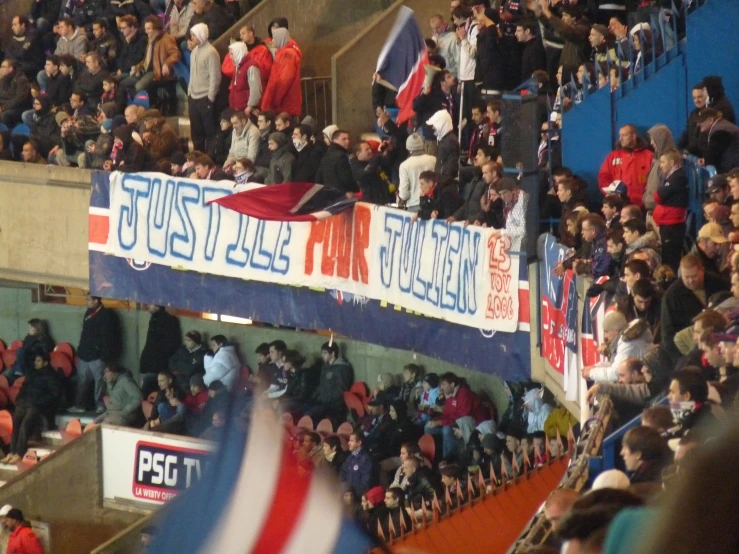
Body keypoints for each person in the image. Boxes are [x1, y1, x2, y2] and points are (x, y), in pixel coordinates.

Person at [0, 352, 62, 465]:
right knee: (16, 423)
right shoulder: (32, 373)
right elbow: (24, 388)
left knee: (25, 424)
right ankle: (12, 452)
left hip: (37, 405)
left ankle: (19, 453)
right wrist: (19, 400)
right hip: (24, 402)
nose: (35, 363)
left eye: (38, 361)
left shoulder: (52, 376)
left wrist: (38, 402)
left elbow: (54, 395)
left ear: (45, 363)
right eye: (35, 361)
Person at [661, 254, 726, 358]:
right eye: (686, 277)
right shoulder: (672, 296)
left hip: (719, 342)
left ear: (702, 270)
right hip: (690, 349)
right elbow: (667, 333)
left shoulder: (717, 283)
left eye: (694, 276)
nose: (690, 280)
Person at [70, 296, 120, 413]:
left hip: (97, 357)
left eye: (89, 300)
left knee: (100, 382)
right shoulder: (88, 313)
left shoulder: (106, 315)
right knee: (82, 381)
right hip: (84, 355)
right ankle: (81, 405)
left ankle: (100, 405)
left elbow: (108, 338)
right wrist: (80, 350)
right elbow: (84, 334)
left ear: (96, 301)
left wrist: (103, 355)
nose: (86, 302)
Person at [425, 372, 485, 459]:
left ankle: (448, 460)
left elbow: (461, 418)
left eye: (443, 385)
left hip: (472, 424)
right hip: (455, 421)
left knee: (447, 429)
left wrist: (440, 422)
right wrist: (435, 421)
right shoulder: (450, 394)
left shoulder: (464, 394)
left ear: (452, 384)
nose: (441, 388)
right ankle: (434, 458)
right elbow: (447, 413)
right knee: (428, 427)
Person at [125, 15, 181, 101]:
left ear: (156, 28)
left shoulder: (166, 38)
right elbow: (146, 60)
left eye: (149, 29)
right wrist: (137, 68)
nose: (146, 31)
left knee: (139, 86)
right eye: (146, 29)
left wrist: (166, 63)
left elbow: (176, 54)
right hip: (147, 70)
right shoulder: (150, 41)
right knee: (125, 83)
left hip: (156, 71)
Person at [187, 23, 222, 153]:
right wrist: (190, 92)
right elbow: (192, 74)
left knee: (209, 131)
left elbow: (215, 77)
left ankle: (211, 157)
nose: (192, 38)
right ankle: (198, 156)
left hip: (205, 98)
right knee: (196, 131)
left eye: (194, 35)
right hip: (194, 97)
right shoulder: (194, 51)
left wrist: (211, 98)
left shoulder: (211, 52)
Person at [653, 149, 688, 272]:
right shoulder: (672, 176)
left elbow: (658, 196)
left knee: (670, 259)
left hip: (672, 226)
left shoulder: (677, 177)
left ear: (671, 162)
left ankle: (669, 283)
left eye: (662, 162)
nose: (660, 165)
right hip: (668, 224)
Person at [305, 341, 353, 425]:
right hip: (322, 402)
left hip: (334, 406)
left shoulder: (342, 369)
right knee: (303, 408)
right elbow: (321, 386)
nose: (322, 355)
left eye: (325, 353)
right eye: (322, 353)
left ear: (333, 353)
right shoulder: (326, 367)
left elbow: (341, 390)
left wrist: (326, 400)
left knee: (309, 415)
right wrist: (312, 398)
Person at [139, 305, 181, 395]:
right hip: (154, 363)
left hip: (156, 364)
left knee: (148, 388)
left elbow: (167, 345)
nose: (148, 306)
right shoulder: (155, 319)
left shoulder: (165, 321)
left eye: (151, 304)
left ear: (158, 306)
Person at [261, 28, 302, 117]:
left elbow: (285, 79)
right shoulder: (283, 53)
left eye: (275, 38)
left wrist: (275, 100)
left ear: (280, 38)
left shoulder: (287, 54)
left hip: (284, 104)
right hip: (284, 103)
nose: (272, 40)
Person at [398, 134, 436, 211]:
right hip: (432, 204)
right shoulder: (433, 160)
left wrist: (400, 203)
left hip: (414, 205)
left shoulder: (404, 165)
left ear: (408, 149)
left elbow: (404, 193)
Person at [315, 130, 358, 196]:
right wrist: (355, 189)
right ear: (335, 140)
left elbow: (319, 177)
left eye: (348, 138)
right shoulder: (341, 156)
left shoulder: (327, 154)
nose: (347, 141)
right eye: (344, 139)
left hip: (329, 193)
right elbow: (346, 177)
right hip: (342, 194)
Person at [696, 108, 739, 173]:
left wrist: (706, 160)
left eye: (701, 121)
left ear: (711, 120)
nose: (698, 124)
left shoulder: (720, 131)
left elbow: (712, 156)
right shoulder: (721, 126)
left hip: (733, 169)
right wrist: (705, 159)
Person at [340, 431, 376, 498]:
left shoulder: (366, 459)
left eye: (351, 440)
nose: (348, 443)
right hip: (347, 494)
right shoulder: (350, 457)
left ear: (359, 443)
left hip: (357, 497)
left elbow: (365, 483)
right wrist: (344, 490)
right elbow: (342, 474)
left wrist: (353, 495)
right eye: (349, 440)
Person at [427, 110, 459, 180]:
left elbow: (451, 166)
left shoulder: (449, 141)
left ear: (441, 124)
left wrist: (443, 181)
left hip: (446, 182)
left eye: (434, 125)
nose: (432, 128)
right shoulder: (445, 140)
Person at [0, 60, 31, 127]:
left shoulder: (21, 79)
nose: (1, 69)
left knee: (4, 115)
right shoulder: (3, 79)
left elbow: (19, 99)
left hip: (19, 108)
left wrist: (3, 108)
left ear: (10, 69)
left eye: (3, 67)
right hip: (5, 106)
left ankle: (5, 135)